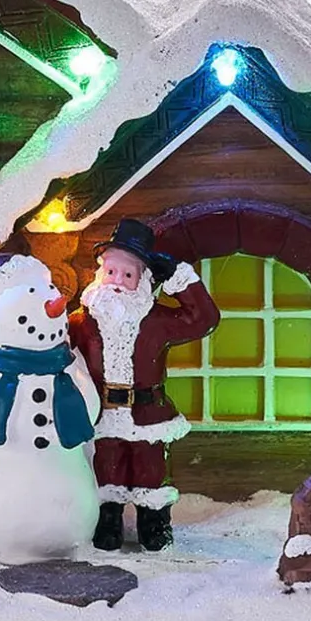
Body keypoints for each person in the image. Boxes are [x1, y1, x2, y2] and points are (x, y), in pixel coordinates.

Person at [67, 219, 220, 551]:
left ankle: (154, 523)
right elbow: (60, 349)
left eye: (128, 274)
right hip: (103, 412)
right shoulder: (82, 321)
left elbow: (204, 319)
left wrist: (178, 277)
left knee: (150, 468)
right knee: (107, 465)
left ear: (143, 279)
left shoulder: (157, 321)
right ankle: (108, 521)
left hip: (147, 411)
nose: (117, 282)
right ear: (100, 273)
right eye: (111, 272)